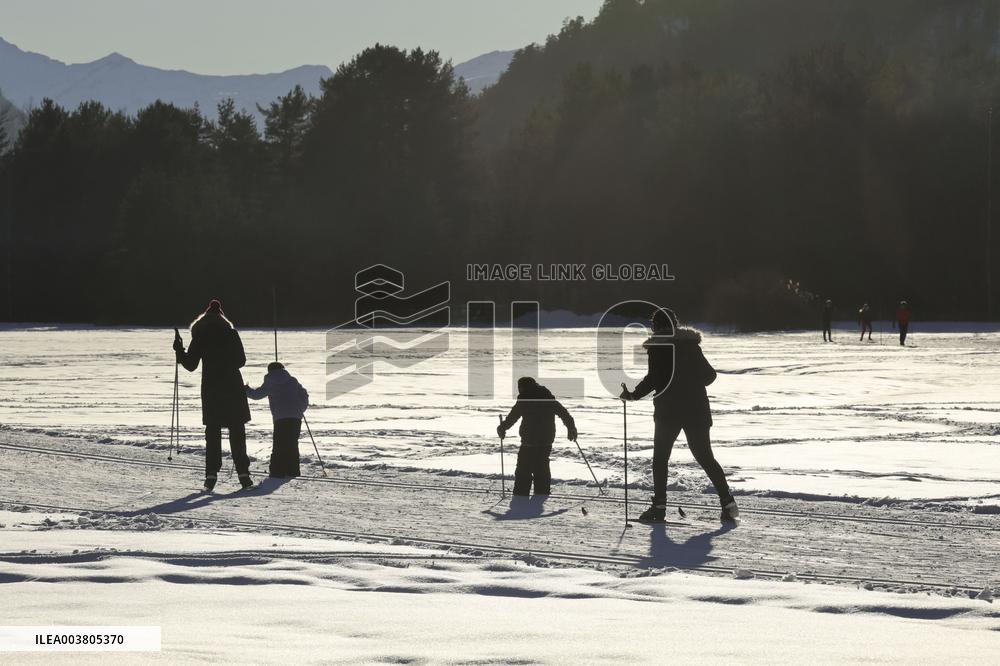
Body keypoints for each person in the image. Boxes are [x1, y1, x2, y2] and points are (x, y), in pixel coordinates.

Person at [620, 308, 738, 524]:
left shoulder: (658, 347)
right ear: (675, 324)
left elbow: (654, 378)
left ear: (655, 327)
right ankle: (728, 504)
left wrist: (633, 395)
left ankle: (659, 507)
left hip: (669, 412)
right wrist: (690, 382)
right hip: (697, 409)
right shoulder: (691, 345)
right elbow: (709, 376)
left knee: (660, 459)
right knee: (705, 457)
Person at [174, 299, 254, 491]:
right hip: (233, 386)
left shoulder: (200, 335)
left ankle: (211, 475)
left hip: (211, 388)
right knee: (237, 431)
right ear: (222, 318)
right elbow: (241, 361)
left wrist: (179, 351)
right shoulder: (231, 334)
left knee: (213, 432)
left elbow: (191, 365)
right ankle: (244, 475)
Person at [497, 377, 577, 497]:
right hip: (545, 440)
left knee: (524, 470)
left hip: (529, 441)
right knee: (542, 468)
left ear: (524, 387)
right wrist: (571, 427)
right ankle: (541, 495)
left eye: (520, 388)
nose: (519, 390)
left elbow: (513, 417)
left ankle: (521, 496)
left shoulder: (525, 399)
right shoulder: (546, 397)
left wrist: (503, 427)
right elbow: (564, 413)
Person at [246, 361, 309, 478]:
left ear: (270, 370)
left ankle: (277, 471)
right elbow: (304, 394)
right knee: (292, 444)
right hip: (295, 417)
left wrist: (246, 390)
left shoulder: (270, 381)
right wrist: (301, 408)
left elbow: (257, 395)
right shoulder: (292, 381)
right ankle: (293, 471)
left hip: (280, 417)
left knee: (279, 444)